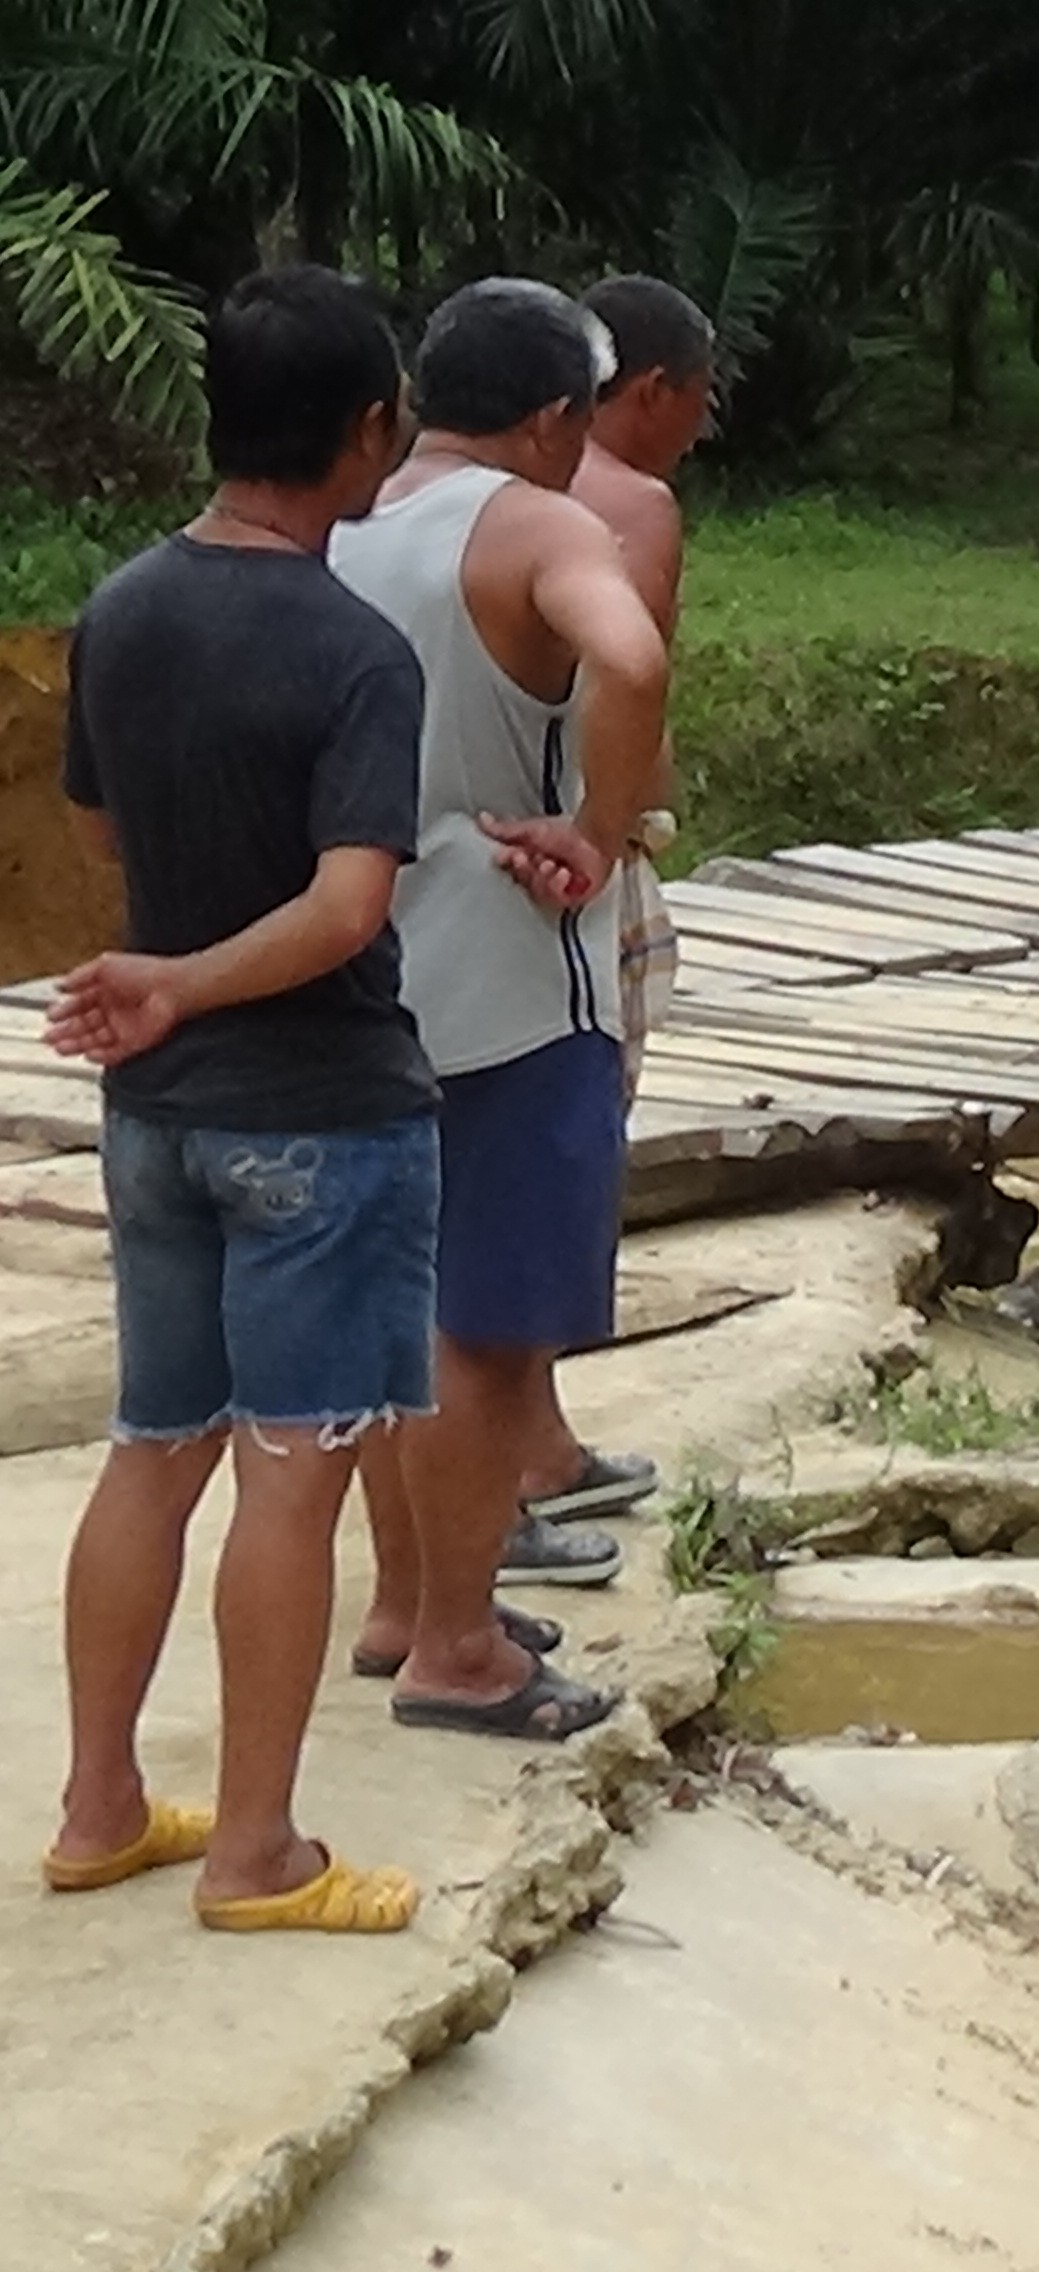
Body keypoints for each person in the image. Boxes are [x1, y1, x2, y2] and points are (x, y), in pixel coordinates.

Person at [42, 266, 433, 1932]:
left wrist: (163, 981)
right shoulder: (355, 649)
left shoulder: (122, 607)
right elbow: (352, 905)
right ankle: (259, 1848)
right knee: (295, 1466)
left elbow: (120, 835)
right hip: (322, 1115)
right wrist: (197, 977)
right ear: (365, 434)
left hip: (158, 1114)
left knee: (154, 1449)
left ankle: (99, 1802)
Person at [331, 275, 679, 1739]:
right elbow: (630, 649)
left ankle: (408, 1596)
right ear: (552, 420)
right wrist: (601, 825)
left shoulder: (346, 522)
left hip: (354, 960)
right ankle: (461, 1648)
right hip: (513, 973)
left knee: (388, 1310)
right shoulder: (535, 523)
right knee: (480, 1325)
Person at [543, 275, 709, 1538]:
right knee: (571, 1133)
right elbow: (627, 673)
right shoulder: (628, 504)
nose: (695, 431)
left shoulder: (404, 504)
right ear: (646, 389)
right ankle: (525, 1451)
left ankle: (531, 1435)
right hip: (583, 860)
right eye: (696, 403)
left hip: (443, 856)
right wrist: (606, 833)